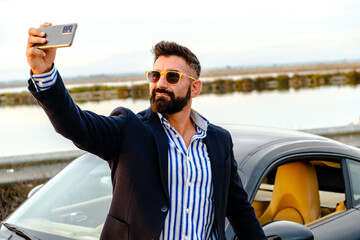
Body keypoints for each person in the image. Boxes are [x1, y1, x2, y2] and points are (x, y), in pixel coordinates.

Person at [26, 23, 266, 240]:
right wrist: (44, 74)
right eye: (155, 75)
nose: (160, 83)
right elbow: (76, 125)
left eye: (172, 77)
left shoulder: (219, 141)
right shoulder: (130, 129)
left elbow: (239, 211)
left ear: (194, 88)